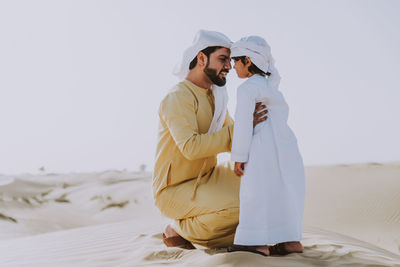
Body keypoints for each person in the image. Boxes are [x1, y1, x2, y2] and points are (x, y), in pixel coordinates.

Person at [152, 30, 267, 249]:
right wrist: (242, 126)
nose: (229, 67)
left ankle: (253, 236)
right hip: (174, 190)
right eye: (223, 59)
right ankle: (178, 228)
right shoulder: (178, 97)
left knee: (264, 187)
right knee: (239, 208)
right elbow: (191, 148)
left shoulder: (216, 96)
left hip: (208, 177)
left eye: (229, 60)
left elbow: (233, 135)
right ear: (201, 58)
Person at [227, 36, 306, 256]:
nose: (233, 66)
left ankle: (255, 242)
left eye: (236, 61)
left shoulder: (246, 89)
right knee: (284, 191)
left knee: (255, 193)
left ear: (248, 61)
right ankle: (291, 241)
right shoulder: (272, 87)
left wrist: (239, 157)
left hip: (261, 149)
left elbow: (243, 124)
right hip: (287, 147)